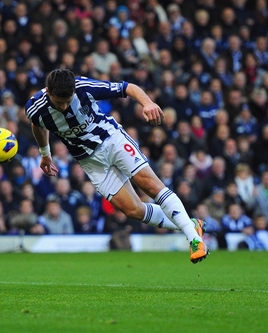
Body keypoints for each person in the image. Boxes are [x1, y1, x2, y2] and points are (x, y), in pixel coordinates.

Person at [25, 69, 208, 263]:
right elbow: (37, 124)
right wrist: (45, 154)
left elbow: (128, 88)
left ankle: (195, 240)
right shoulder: (35, 107)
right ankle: (190, 225)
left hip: (112, 141)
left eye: (68, 101)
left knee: (151, 186)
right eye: (58, 102)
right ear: (48, 92)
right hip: (90, 161)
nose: (63, 107)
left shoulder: (84, 87)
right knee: (133, 210)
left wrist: (147, 103)